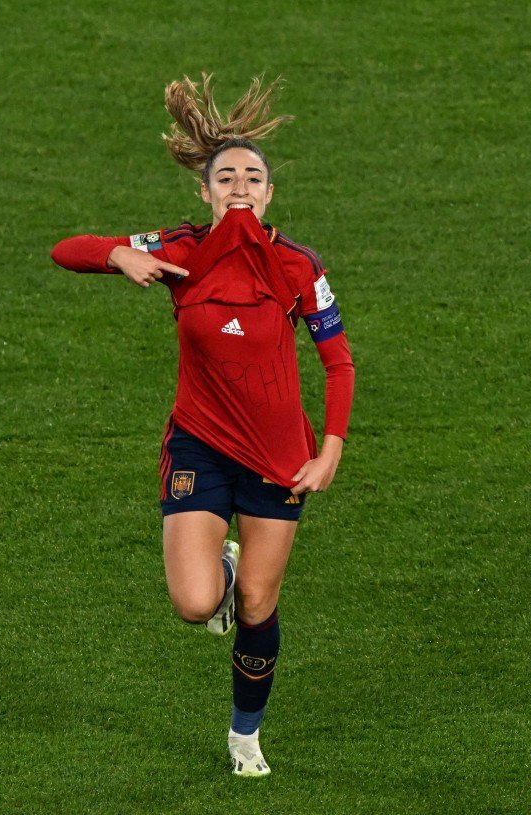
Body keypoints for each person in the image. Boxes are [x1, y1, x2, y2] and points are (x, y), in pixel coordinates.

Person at [49, 74, 355, 777]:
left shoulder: (298, 265)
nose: (240, 184)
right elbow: (67, 247)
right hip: (200, 442)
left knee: (257, 601)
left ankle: (245, 733)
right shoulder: (181, 248)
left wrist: (331, 446)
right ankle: (218, 566)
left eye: (253, 175)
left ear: (270, 192)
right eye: (226, 176)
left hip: (280, 457)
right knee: (196, 602)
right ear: (206, 190)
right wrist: (117, 252)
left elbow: (338, 364)